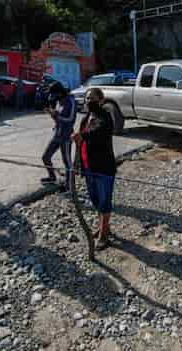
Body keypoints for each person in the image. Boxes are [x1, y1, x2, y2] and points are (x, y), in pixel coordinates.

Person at [73, 88, 117, 250]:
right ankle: (103, 226)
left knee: (104, 201)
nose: (88, 101)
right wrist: (78, 164)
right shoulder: (85, 119)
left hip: (103, 168)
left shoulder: (104, 116)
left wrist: (83, 135)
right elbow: (80, 144)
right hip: (88, 167)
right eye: (86, 98)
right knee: (96, 201)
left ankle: (104, 235)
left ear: (101, 100)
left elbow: (100, 130)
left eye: (91, 98)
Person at [41, 82, 77, 190]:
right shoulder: (59, 101)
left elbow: (71, 120)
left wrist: (56, 116)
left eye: (54, 94)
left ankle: (69, 187)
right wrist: (52, 114)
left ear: (59, 93)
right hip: (57, 134)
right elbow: (58, 118)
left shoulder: (71, 101)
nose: (52, 97)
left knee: (67, 162)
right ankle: (52, 177)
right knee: (45, 157)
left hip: (66, 136)